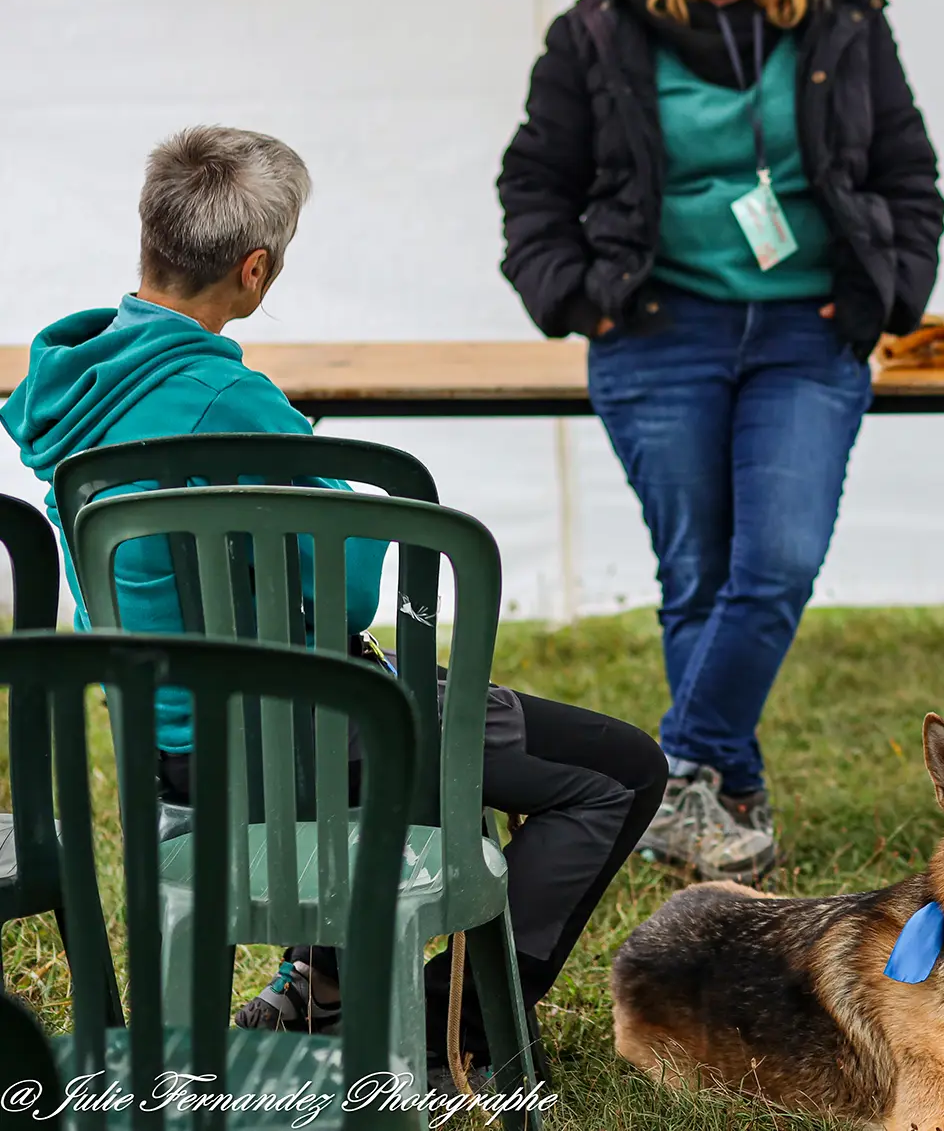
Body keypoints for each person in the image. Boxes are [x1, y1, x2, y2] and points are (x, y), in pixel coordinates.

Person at [1, 125, 668, 1078]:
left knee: (365, 710)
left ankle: (322, 987)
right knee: (621, 771)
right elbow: (357, 585)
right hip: (304, 742)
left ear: (149, 235)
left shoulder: (71, 386)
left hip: (173, 749)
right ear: (256, 267)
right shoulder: (228, 403)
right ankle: (457, 1034)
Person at [498, 0, 944, 882]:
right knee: (697, 572)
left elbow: (905, 171)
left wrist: (882, 296)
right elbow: (533, 185)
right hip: (658, 331)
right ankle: (727, 798)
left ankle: (672, 776)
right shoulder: (596, 31)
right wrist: (576, 299)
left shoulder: (842, 17)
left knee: (774, 561)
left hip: (806, 330)